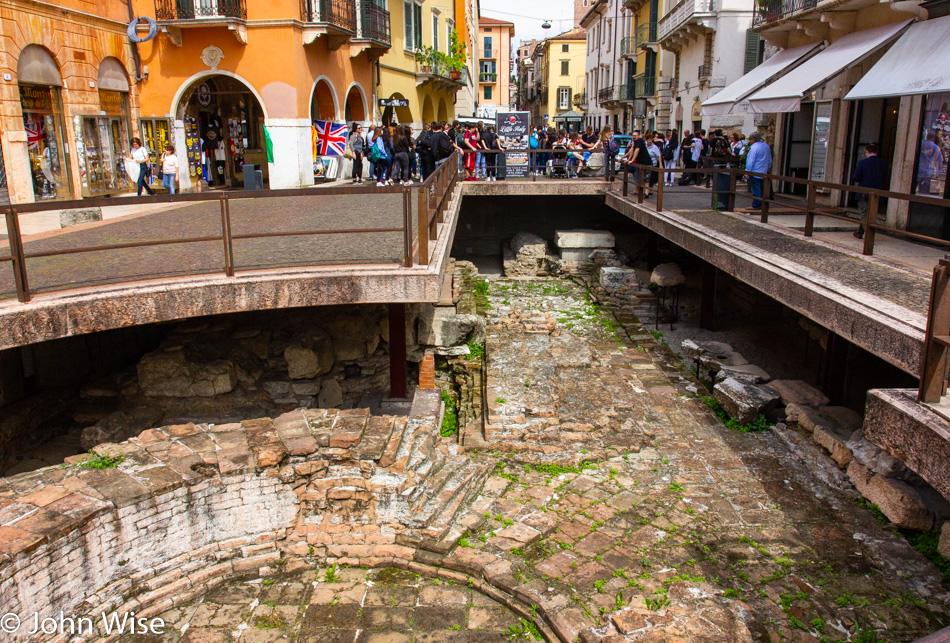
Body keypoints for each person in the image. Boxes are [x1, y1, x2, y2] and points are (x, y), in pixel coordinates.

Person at [851, 143, 889, 239]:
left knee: (864, 213)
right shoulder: (884, 163)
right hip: (877, 192)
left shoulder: (863, 163)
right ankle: (860, 232)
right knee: (871, 213)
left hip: (864, 190)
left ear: (867, 152)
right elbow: (885, 177)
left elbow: (856, 177)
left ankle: (869, 234)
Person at [744, 131, 772, 210]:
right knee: (762, 188)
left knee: (756, 189)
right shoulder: (766, 146)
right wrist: (769, 166)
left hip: (755, 171)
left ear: (752, 140)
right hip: (764, 170)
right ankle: (763, 204)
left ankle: (756, 205)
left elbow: (751, 161)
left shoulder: (753, 148)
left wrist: (747, 171)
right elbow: (769, 158)